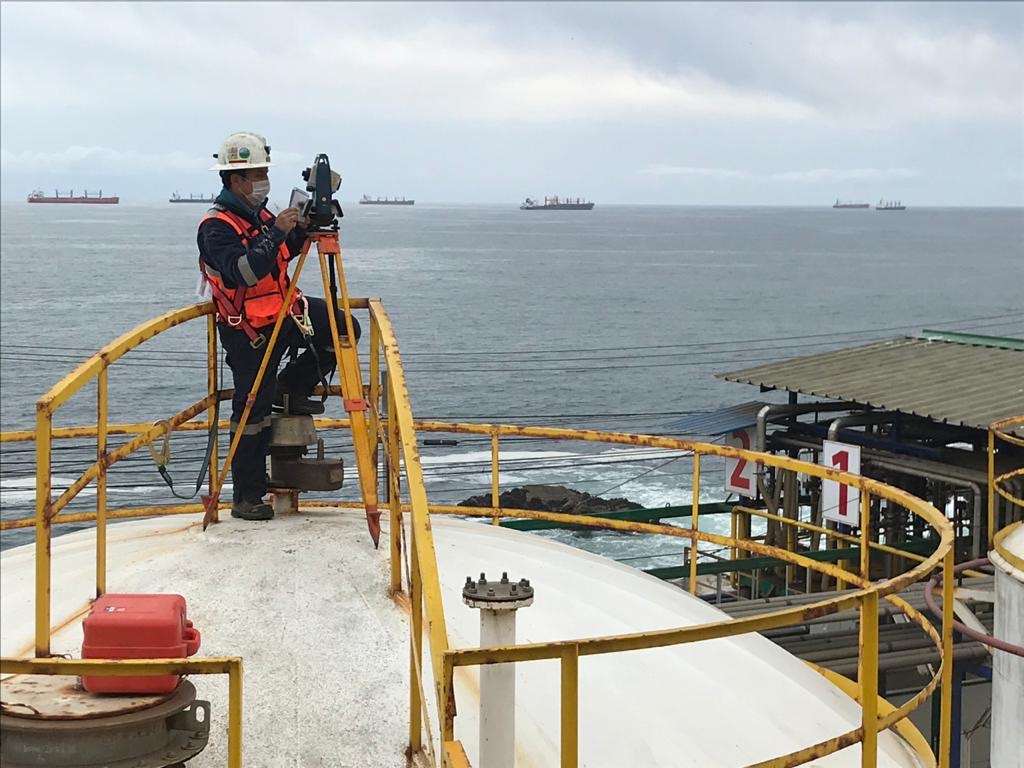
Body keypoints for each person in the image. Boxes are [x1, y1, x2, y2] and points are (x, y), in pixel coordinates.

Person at [198, 131, 359, 521]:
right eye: (257, 174)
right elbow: (245, 272)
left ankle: (292, 387)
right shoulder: (215, 227)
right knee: (252, 415)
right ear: (236, 180)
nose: (262, 182)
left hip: (285, 312)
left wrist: (302, 227)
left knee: (342, 328)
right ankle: (247, 496)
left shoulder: (261, 215)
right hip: (247, 331)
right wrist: (278, 231)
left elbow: (283, 254)